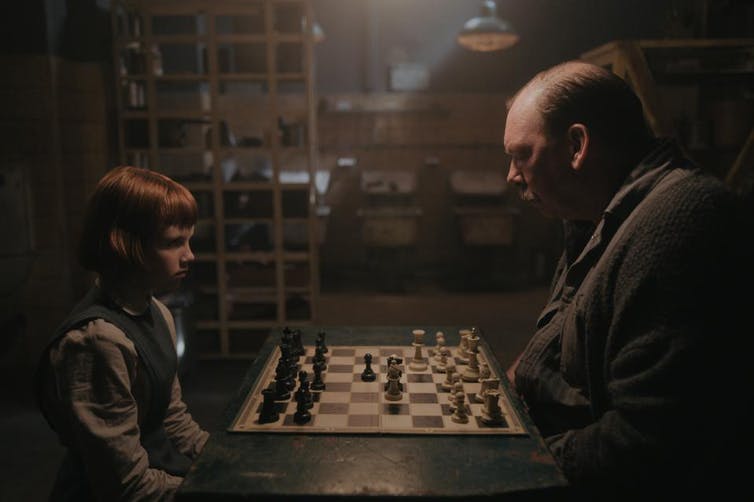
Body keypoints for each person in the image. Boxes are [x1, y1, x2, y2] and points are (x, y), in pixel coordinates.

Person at [503, 61, 753, 500]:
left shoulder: (680, 221)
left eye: (522, 154)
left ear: (577, 145)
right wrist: (519, 378)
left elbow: (649, 441)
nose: (512, 175)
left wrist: (518, 463)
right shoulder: (597, 215)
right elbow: (568, 340)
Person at [35, 166, 209, 501]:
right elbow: (126, 487)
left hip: (158, 475)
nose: (190, 256)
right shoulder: (97, 342)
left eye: (189, 240)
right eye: (174, 243)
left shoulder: (156, 311)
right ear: (126, 245)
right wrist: (215, 490)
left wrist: (225, 457)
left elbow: (171, 418)